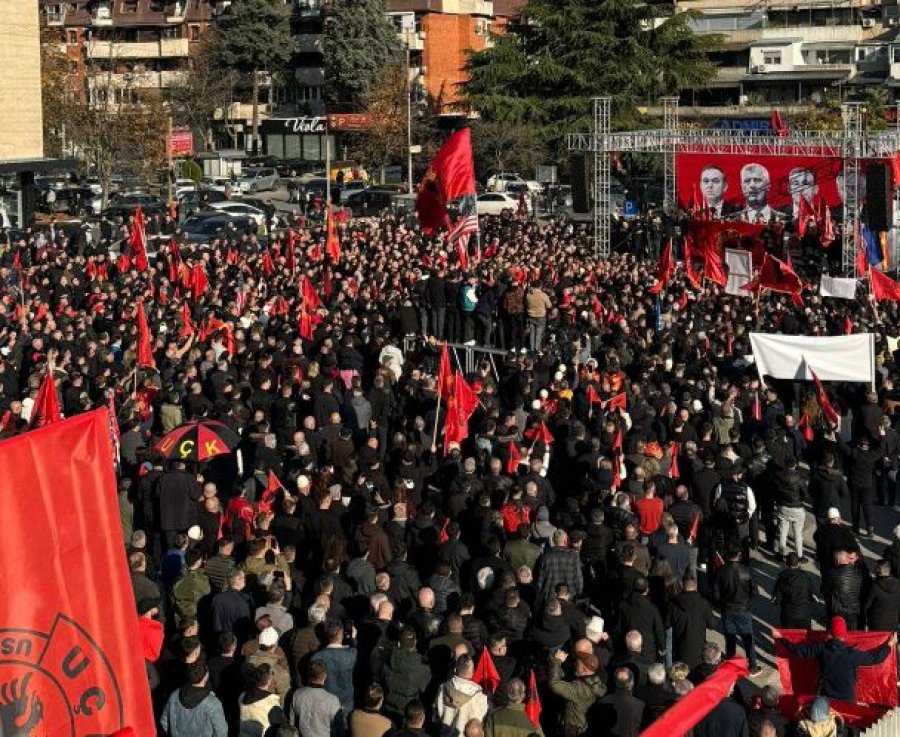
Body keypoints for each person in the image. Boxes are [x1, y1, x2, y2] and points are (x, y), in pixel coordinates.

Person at [779, 616, 896, 702]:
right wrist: (889, 645)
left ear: (830, 633)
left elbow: (799, 651)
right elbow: (875, 659)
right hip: (847, 700)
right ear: (844, 635)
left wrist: (782, 639)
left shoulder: (822, 649)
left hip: (826, 699)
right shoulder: (852, 654)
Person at [715, 548, 761, 676]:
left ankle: (731, 665)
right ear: (739, 555)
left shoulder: (720, 571)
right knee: (748, 640)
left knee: (730, 640)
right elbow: (755, 592)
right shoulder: (746, 571)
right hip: (743, 609)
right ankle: (752, 666)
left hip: (727, 610)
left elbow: (716, 594)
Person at [160, 660, 228, 737]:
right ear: (206, 676)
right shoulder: (213, 704)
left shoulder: (174, 695)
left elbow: (164, 722)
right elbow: (221, 733)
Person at [548, 649, 606, 737]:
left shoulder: (580, 688)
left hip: (571, 731)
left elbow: (554, 684)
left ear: (584, 669)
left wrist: (557, 661)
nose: (575, 664)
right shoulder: (596, 682)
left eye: (577, 663)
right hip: (582, 727)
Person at [434, 655, 490, 737]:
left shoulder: (442, 689)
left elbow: (435, 716)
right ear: (472, 673)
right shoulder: (479, 697)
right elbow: (480, 725)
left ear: (455, 669)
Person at [288, 660, 345, 737]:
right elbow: (339, 730)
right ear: (325, 675)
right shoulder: (332, 700)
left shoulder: (297, 694)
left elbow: (291, 724)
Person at [772, 553, 817, 629]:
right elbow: (812, 596)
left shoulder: (782, 578)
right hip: (804, 614)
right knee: (805, 638)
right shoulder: (806, 577)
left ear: (787, 564)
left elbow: (776, 599)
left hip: (788, 615)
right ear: (799, 563)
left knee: (789, 637)